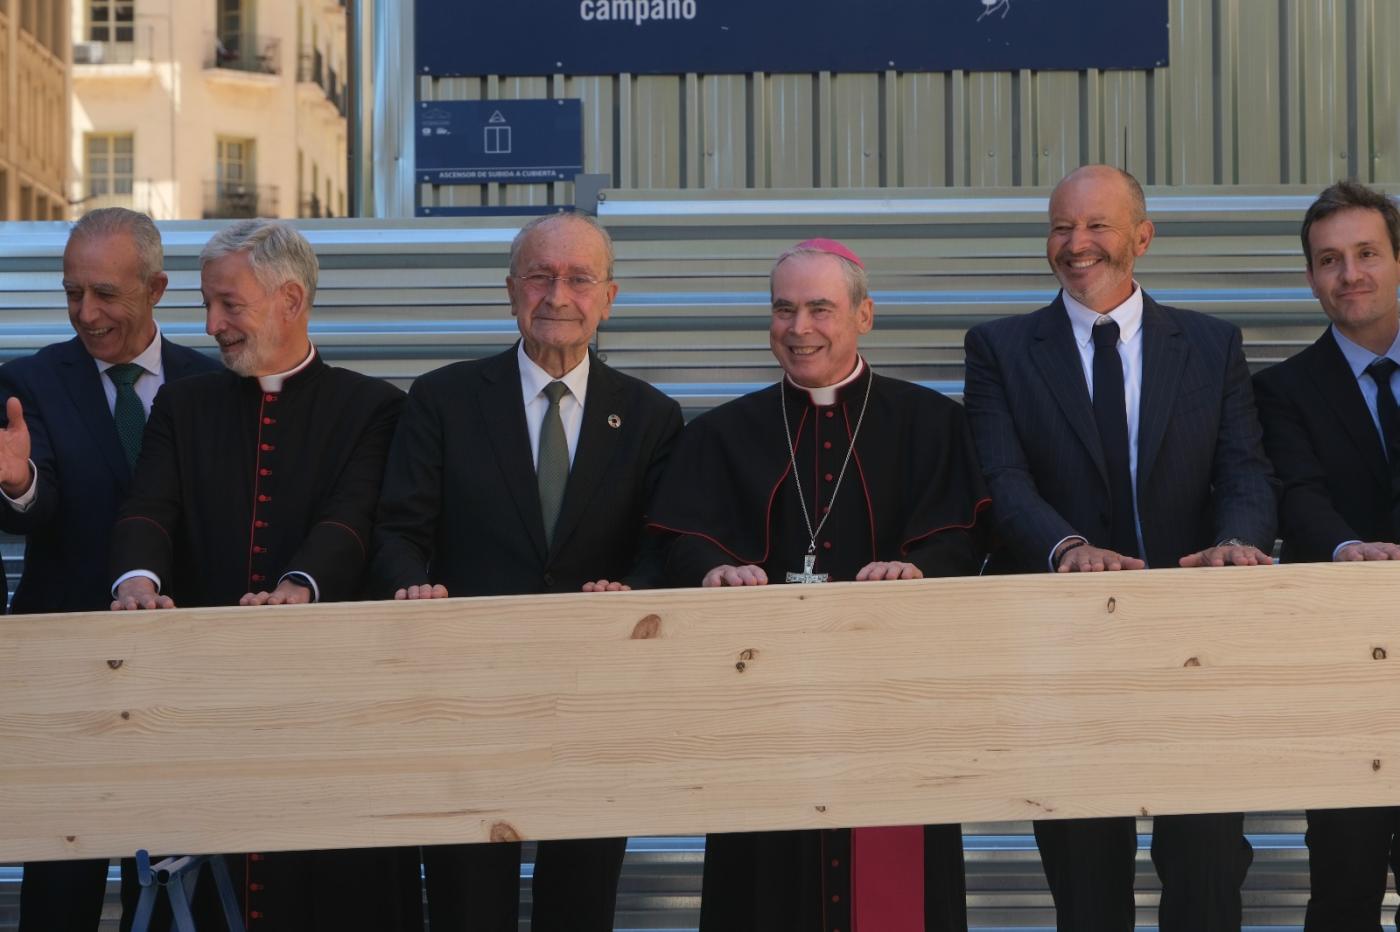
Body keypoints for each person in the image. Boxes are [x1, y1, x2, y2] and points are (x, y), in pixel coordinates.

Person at [962, 164, 1277, 932]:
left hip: (1192, 648)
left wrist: (1235, 543)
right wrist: (1068, 547)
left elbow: (1244, 468)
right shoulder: (1001, 349)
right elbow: (1001, 479)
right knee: (1086, 886)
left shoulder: (1210, 345)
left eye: (1097, 226)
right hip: (1066, 651)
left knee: (1206, 877)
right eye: (1062, 227)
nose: (1076, 244)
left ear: (1142, 235)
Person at [648, 238, 989, 932]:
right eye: (783, 309)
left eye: (819, 309)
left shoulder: (931, 423)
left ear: (864, 315)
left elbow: (968, 530)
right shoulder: (721, 434)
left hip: (894, 705)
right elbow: (680, 537)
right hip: (763, 708)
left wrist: (919, 568)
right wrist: (711, 568)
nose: (799, 328)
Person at [370, 211, 684, 932]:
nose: (558, 295)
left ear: (609, 297)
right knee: (465, 902)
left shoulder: (649, 416)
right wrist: (409, 586)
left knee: (581, 900)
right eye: (540, 276)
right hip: (465, 692)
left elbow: (662, 544)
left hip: (596, 694)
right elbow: (397, 529)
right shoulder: (443, 400)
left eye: (579, 278)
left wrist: (632, 592)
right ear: (511, 290)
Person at [108, 218, 417, 932]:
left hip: (330, 708)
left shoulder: (372, 406)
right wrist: (136, 580)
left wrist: (301, 585)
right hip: (204, 699)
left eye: (229, 304)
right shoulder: (183, 404)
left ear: (289, 301)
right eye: (208, 304)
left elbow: (354, 518)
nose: (211, 324)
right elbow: (149, 506)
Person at [0, 208, 218, 932]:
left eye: (104, 294)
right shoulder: (26, 381)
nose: (85, 314)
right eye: (71, 294)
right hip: (67, 668)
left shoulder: (213, 384)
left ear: (156, 288)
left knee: (178, 874)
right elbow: (34, 510)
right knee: (60, 879)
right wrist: (17, 483)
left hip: (182, 666)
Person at [1253, 179, 1400, 930]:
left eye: (1367, 253)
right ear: (1311, 276)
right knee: (1343, 896)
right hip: (1347, 673)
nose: (1351, 275)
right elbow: (1297, 497)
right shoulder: (1280, 392)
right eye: (1329, 260)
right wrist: (1347, 548)